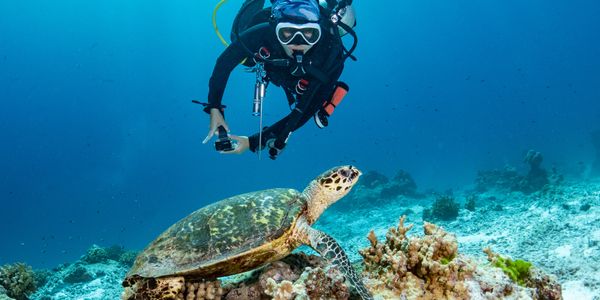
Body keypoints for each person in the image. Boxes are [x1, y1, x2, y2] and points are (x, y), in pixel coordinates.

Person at [201, 0, 356, 159]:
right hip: (269, 55)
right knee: (238, 40)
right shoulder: (261, 34)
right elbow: (224, 63)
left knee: (311, 95)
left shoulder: (331, 56)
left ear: (319, 32)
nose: (298, 43)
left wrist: (253, 142)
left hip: (302, 80)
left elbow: (306, 109)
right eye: (287, 32)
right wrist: (214, 107)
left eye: (309, 33)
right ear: (275, 29)